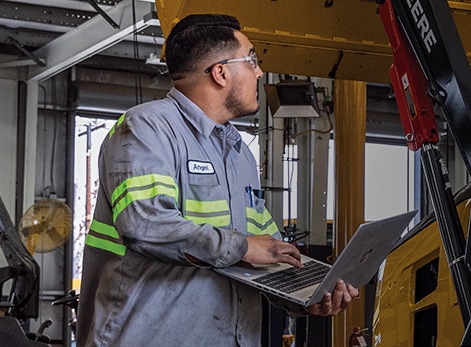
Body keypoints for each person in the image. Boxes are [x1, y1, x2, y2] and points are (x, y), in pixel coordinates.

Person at [77, 14, 358, 346]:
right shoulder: (146, 129)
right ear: (220, 72)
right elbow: (146, 226)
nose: (260, 71)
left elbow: (265, 250)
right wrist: (241, 247)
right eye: (252, 59)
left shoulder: (238, 152)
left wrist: (308, 293)